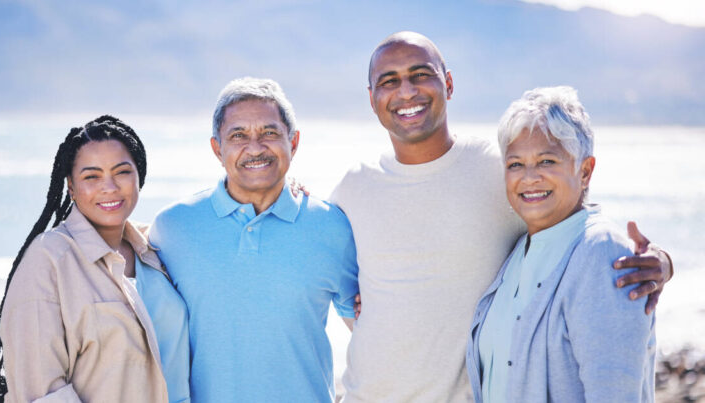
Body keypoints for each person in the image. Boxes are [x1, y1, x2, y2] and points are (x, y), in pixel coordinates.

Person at [330, 32, 671, 402]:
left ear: (448, 83)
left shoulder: (498, 169)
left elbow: (576, 223)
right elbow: (319, 265)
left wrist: (660, 263)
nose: (407, 91)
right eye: (389, 80)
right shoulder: (353, 187)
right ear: (371, 98)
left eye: (420, 74)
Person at [148, 77, 359, 403]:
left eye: (270, 133)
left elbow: (367, 334)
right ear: (217, 148)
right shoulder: (172, 228)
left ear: (294, 141)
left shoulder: (332, 226)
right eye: (238, 135)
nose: (256, 147)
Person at [0, 116, 190, 403]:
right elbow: (41, 393)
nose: (109, 186)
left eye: (122, 172)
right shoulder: (49, 260)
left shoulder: (155, 252)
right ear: (71, 187)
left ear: (139, 176)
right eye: (92, 176)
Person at [466, 86, 655, 401]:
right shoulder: (517, 252)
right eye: (515, 164)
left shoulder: (601, 253)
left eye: (546, 161)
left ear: (585, 171)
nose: (529, 177)